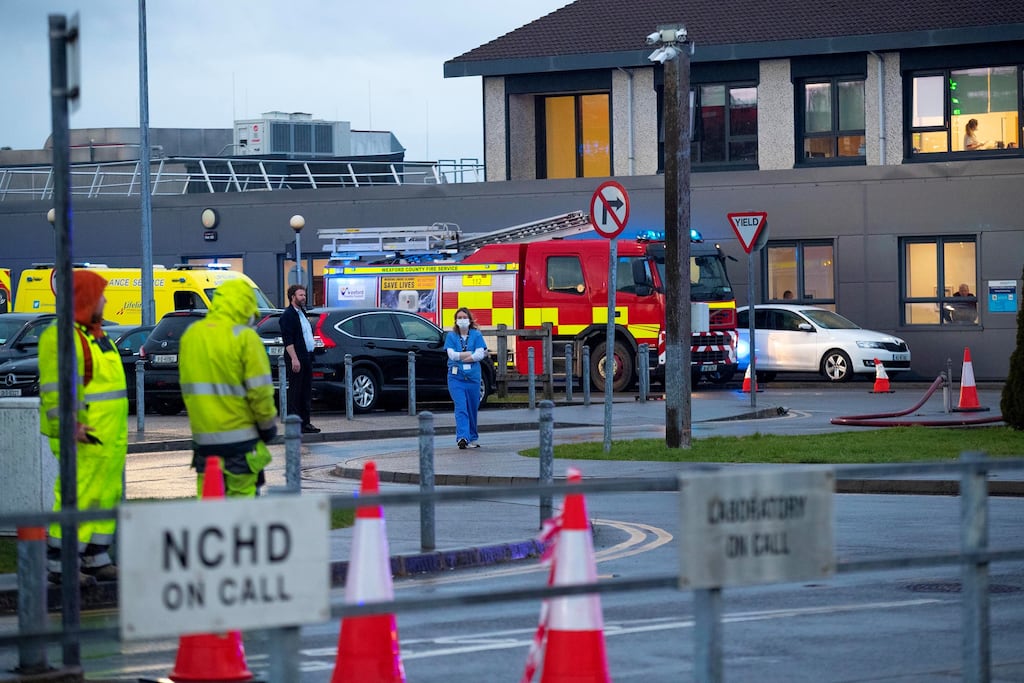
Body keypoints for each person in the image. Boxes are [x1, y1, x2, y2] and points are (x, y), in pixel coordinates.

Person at [39, 271, 127, 585]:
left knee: (105, 495)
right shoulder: (62, 335)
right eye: (100, 295)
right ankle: (61, 564)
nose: (105, 300)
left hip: (106, 436)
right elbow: (57, 387)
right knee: (77, 496)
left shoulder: (94, 333)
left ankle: (96, 557)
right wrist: (69, 425)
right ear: (87, 299)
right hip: (83, 435)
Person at [179, 278, 277, 498]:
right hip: (241, 444)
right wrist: (267, 426)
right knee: (241, 517)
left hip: (204, 444)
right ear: (245, 306)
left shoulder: (192, 335)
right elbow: (260, 392)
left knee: (210, 514)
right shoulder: (245, 337)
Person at [444, 307, 488, 449]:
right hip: (456, 378)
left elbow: (480, 353)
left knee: (472, 408)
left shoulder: (476, 335)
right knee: (461, 406)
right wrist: (469, 355)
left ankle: (472, 437)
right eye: (459, 318)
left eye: (464, 317)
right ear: (456, 321)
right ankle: (462, 437)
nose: (462, 320)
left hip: (473, 378)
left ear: (469, 320)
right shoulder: (451, 336)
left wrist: (463, 356)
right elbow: (452, 355)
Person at [280, 283, 319, 433]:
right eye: (301, 295)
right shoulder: (288, 315)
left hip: (307, 356)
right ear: (292, 297)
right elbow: (288, 340)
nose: (304, 297)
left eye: (304, 295)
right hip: (297, 358)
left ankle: (305, 423)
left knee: (306, 391)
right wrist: (294, 359)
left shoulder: (302, 312)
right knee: (295, 392)